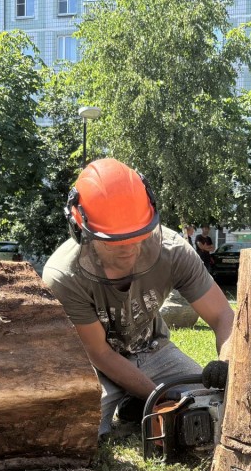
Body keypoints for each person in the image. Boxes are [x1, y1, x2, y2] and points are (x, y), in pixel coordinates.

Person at [43, 158, 233, 438]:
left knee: (208, 404)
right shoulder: (64, 275)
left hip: (153, 349)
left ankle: (134, 403)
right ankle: (135, 399)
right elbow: (99, 352)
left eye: (138, 237)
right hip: (95, 363)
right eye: (113, 242)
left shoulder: (173, 252)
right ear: (81, 229)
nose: (128, 249)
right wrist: (159, 397)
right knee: (81, 429)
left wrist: (226, 363)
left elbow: (222, 315)